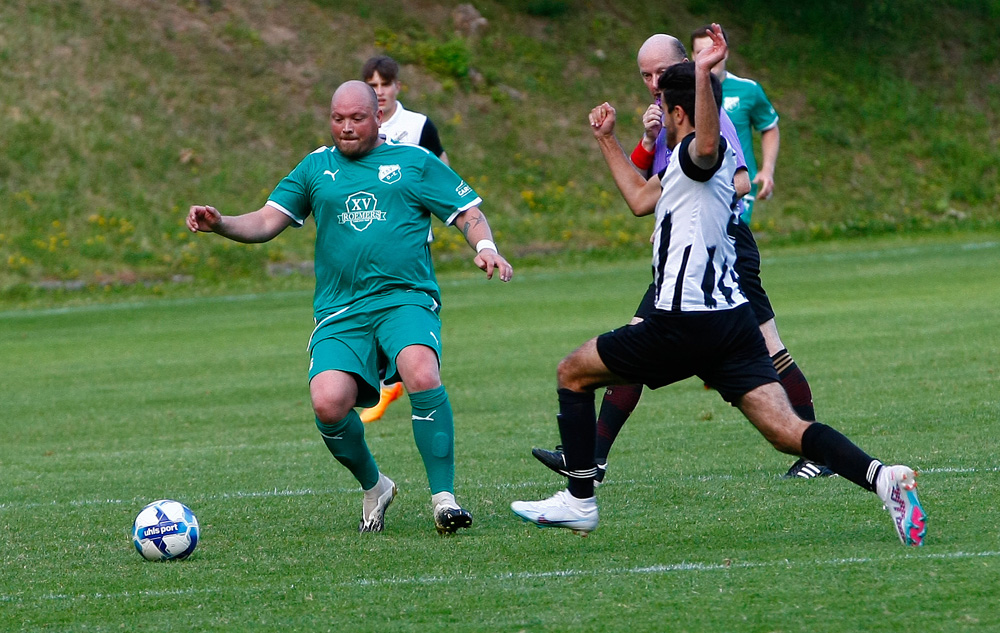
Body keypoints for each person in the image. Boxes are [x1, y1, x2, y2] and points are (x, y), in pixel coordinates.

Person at [511, 25, 926, 548]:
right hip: (728, 322)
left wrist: (705, 73)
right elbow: (640, 199)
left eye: (664, 98)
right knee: (784, 432)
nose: (656, 107)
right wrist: (608, 141)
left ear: (681, 113)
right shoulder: (686, 164)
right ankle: (884, 477)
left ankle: (579, 498)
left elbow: (704, 142)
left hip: (682, 320)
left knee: (571, 372)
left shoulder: (699, 155)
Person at [186, 81, 513, 535]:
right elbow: (266, 221)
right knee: (328, 404)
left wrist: (486, 246)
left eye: (356, 118)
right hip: (342, 310)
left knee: (421, 369)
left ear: (378, 116)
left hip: (404, 297)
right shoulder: (316, 168)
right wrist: (221, 224)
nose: (345, 127)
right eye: (337, 119)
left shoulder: (413, 162)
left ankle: (444, 499)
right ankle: (375, 485)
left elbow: (467, 212)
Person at [531, 31, 830, 481]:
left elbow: (739, 178)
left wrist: (700, 213)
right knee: (632, 344)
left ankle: (817, 454)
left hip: (720, 253)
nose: (652, 82)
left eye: (661, 72)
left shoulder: (706, 112)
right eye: (645, 75)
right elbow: (646, 191)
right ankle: (592, 456)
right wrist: (648, 141)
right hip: (679, 263)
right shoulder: (667, 116)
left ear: (684, 67)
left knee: (771, 348)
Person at [359, 55, 451, 424]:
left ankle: (397, 382)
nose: (379, 92)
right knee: (368, 308)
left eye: (384, 85)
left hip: (410, 243)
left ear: (398, 86)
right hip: (367, 238)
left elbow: (442, 171)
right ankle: (384, 381)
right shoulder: (360, 127)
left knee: (404, 310)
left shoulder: (418, 126)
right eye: (372, 85)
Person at [691, 24, 778, 226]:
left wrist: (767, 169)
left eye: (713, 50)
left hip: (738, 183)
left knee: (731, 240)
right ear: (693, 56)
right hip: (698, 183)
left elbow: (769, 127)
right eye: (700, 52)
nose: (708, 58)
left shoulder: (748, 90)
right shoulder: (685, 93)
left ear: (725, 52)